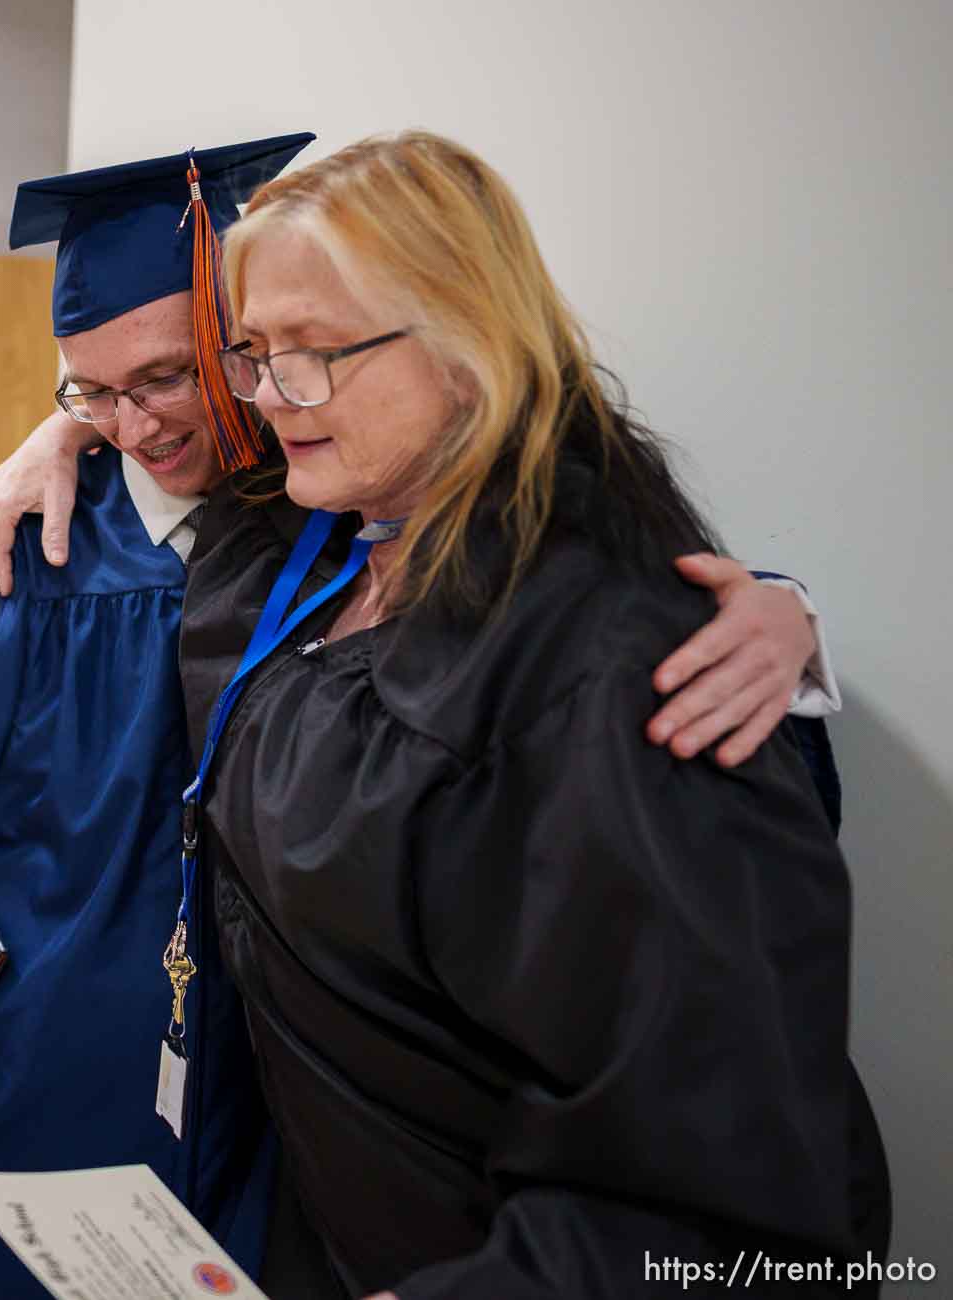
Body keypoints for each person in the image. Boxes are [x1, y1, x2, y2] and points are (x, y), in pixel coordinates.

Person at [0, 135, 841, 1298]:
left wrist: (781, 610)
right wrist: (63, 433)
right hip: (52, 1037)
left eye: (176, 373)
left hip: (271, 1085)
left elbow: (571, 560)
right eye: (93, 391)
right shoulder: (64, 541)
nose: (146, 421)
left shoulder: (327, 532)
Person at [184, 130, 889, 1297]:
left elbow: (733, 1205)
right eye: (256, 353)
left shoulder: (609, 669)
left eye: (312, 353)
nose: (267, 399)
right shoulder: (315, 550)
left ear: (469, 344)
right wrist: (65, 433)